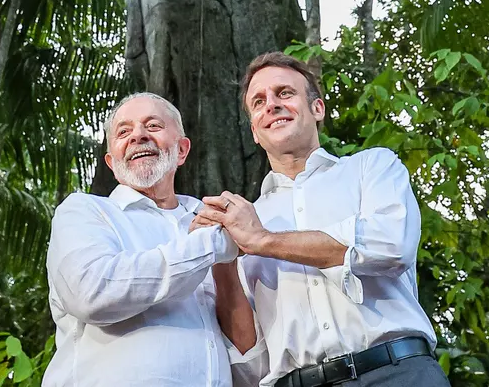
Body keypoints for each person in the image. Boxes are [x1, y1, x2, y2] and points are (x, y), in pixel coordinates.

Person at [192, 53, 450, 387]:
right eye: (259, 102)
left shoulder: (371, 167)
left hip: (399, 373)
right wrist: (221, 264)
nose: (271, 105)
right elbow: (251, 359)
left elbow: (390, 245)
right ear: (255, 131)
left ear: (317, 109)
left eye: (284, 93)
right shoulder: (246, 220)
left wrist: (264, 241)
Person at [44, 92, 241, 387]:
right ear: (111, 161)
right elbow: (93, 293)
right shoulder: (84, 211)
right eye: (124, 132)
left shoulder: (212, 218)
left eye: (153, 126)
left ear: (182, 150)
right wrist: (209, 245)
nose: (138, 136)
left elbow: (241, 335)